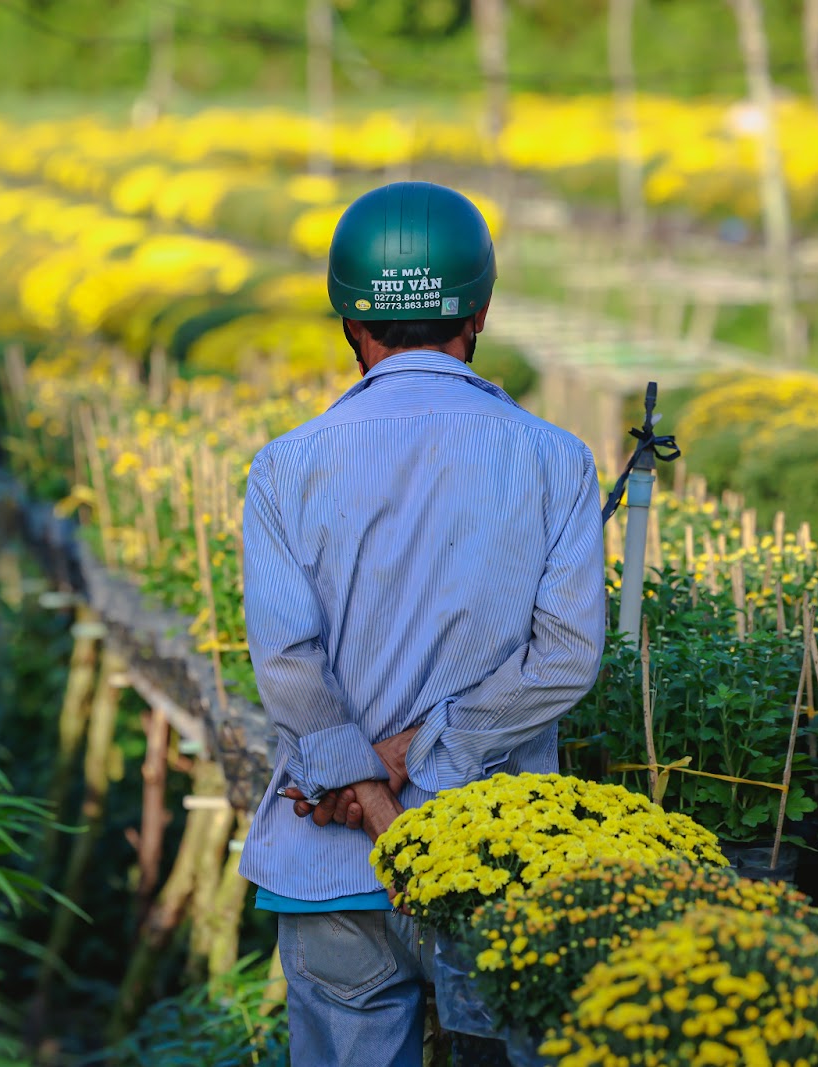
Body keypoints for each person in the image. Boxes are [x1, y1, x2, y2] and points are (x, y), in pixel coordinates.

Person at [236, 182, 606, 1067]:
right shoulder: (556, 458)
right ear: (478, 313)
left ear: (347, 321)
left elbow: (288, 663)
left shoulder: (286, 467)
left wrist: (361, 786)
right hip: (496, 861)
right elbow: (565, 658)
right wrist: (425, 757)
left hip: (330, 864)